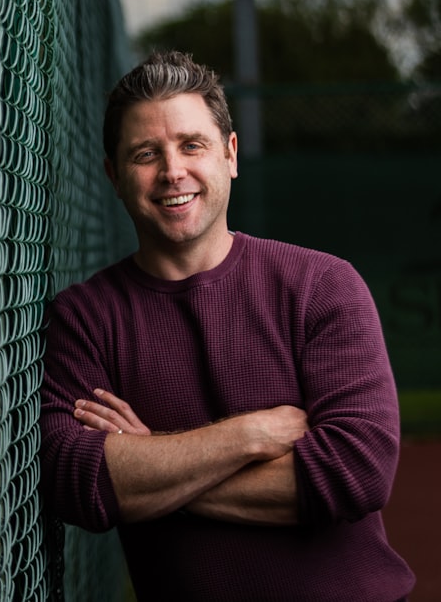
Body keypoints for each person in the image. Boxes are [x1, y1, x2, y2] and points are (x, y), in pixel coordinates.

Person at [39, 51, 415, 601]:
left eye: (192, 145)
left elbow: (356, 471)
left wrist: (149, 465)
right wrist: (248, 436)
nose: (173, 171)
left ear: (230, 155)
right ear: (113, 176)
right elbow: (73, 479)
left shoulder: (323, 285)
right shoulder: (84, 318)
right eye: (147, 154)